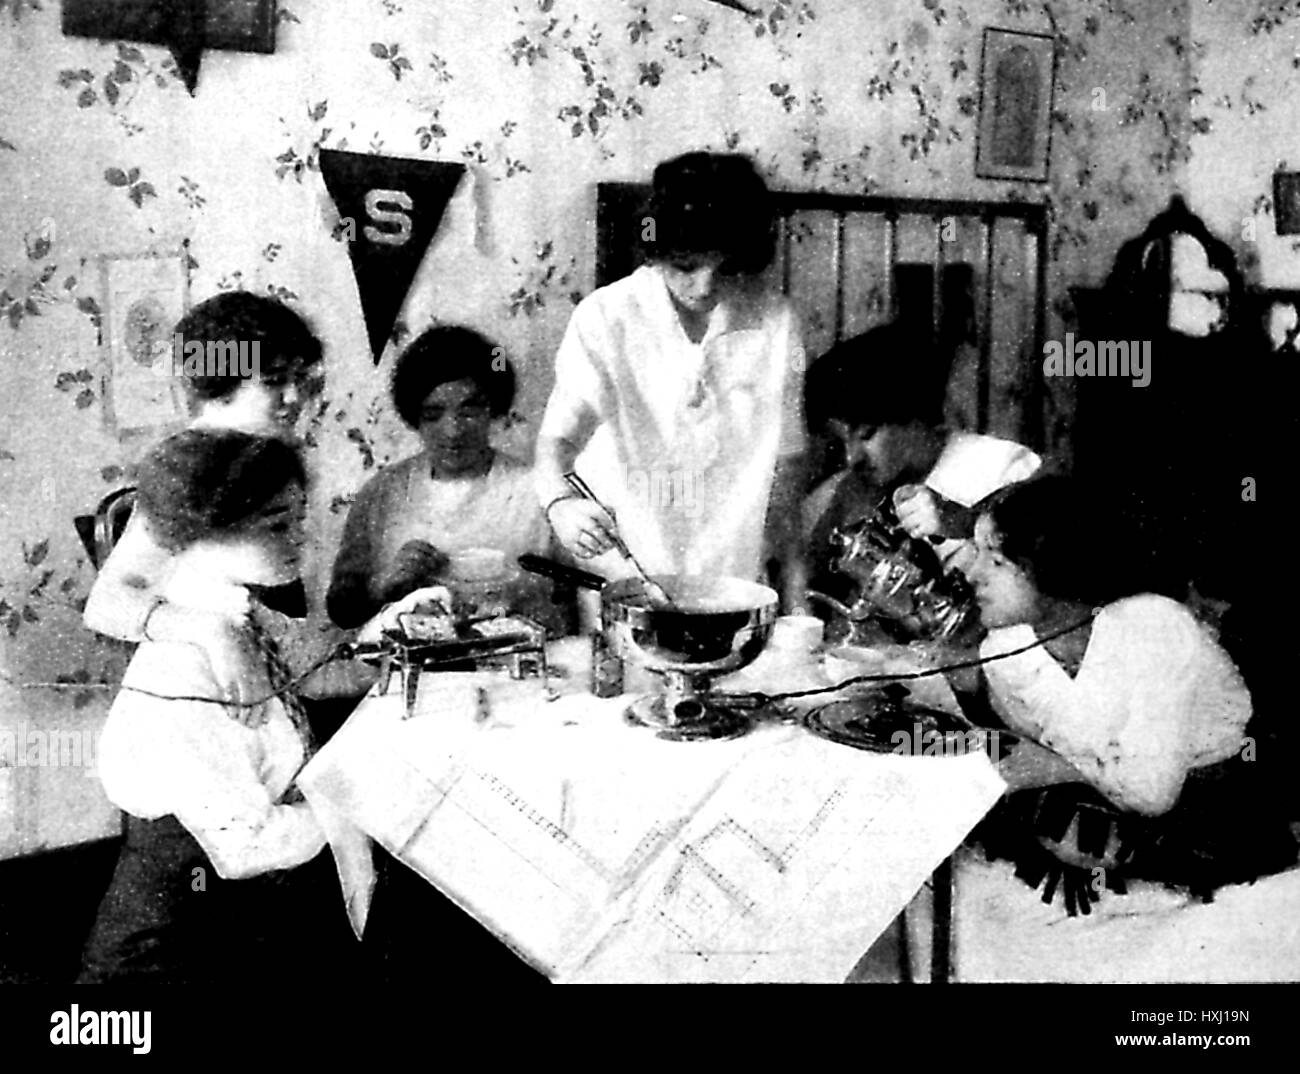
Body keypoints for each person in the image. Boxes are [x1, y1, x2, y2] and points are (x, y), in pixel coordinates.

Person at [79, 431, 356, 984]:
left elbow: (312, 659)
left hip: (235, 916)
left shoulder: (233, 613)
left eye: (299, 517)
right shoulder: (182, 671)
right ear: (193, 535)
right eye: (277, 525)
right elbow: (245, 849)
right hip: (164, 960)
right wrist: (353, 813)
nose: (301, 538)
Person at [958, 476, 1296, 900]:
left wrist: (1049, 768)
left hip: (1218, 821)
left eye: (997, 561)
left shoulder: (1153, 625)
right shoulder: (1005, 647)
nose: (972, 574)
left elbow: (1151, 794)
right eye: (976, 553)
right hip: (1110, 819)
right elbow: (1039, 746)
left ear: (1055, 566)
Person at [535, 151, 808, 610]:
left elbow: (788, 466)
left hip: (733, 573)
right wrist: (560, 504)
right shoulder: (606, 317)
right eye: (685, 266)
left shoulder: (775, 319)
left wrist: (796, 594)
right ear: (657, 250)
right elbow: (556, 445)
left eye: (723, 268)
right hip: (627, 572)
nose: (704, 287)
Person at [82, 291, 325, 720]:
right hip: (216, 696)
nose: (294, 398)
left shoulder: (268, 454)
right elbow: (105, 604)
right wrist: (215, 634)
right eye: (272, 382)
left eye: (299, 379)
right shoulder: (194, 468)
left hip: (288, 668)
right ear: (219, 384)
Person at [325, 325, 554, 630]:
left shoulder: (535, 490)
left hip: (510, 671)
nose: (453, 430)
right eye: (433, 415)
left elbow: (574, 597)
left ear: (493, 407)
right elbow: (341, 611)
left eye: (469, 411)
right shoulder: (382, 493)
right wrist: (382, 585)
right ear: (414, 417)